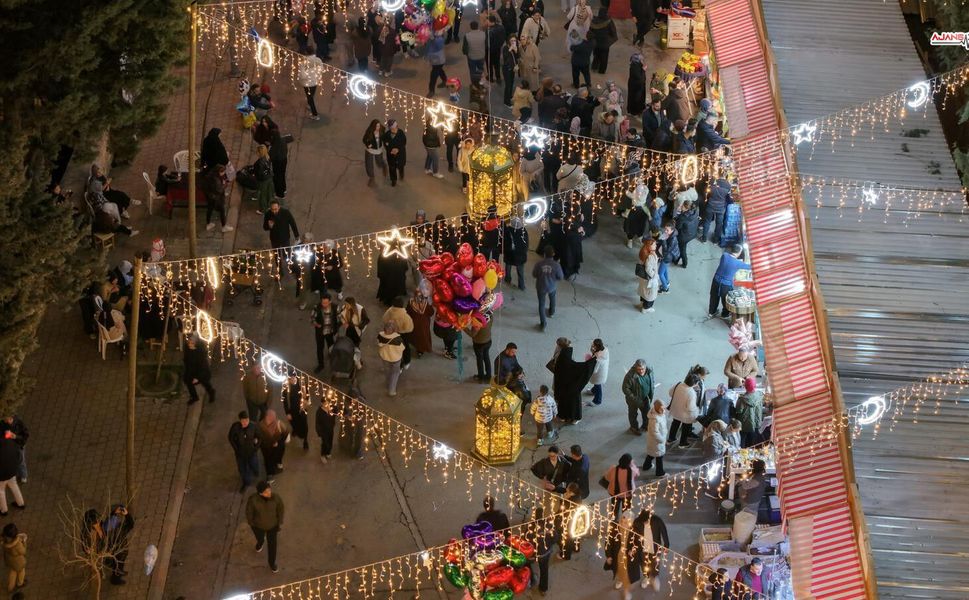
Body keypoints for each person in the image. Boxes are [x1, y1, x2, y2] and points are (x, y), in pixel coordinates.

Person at [552, 339, 596, 424]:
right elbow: (577, 368)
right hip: (572, 387)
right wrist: (591, 362)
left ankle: (563, 416)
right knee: (574, 405)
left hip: (562, 386)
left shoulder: (561, 356)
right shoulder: (566, 357)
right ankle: (574, 418)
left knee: (563, 402)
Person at [245, 481, 284, 573]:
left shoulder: (276, 498)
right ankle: (260, 543)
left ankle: (272, 563)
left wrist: (279, 522)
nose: (269, 493)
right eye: (266, 492)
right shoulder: (253, 500)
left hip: (272, 526)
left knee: (272, 546)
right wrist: (251, 523)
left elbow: (280, 509)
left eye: (269, 490)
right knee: (260, 538)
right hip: (258, 526)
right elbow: (249, 512)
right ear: (260, 493)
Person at [709, 245, 750, 319]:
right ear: (739, 252)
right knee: (726, 300)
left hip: (716, 280)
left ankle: (711, 312)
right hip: (726, 285)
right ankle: (724, 315)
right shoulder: (738, 263)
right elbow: (749, 267)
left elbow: (729, 262)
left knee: (714, 297)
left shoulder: (724, 256)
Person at [532, 246, 564, 331]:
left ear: (544, 254)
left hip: (541, 286)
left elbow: (534, 274)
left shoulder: (539, 264)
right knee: (552, 298)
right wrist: (554, 279)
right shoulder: (556, 265)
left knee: (541, 304)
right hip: (551, 286)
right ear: (553, 254)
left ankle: (543, 324)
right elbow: (561, 277)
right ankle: (551, 312)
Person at [229, 411, 261, 493]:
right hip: (240, 453)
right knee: (242, 469)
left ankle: (256, 471)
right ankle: (246, 482)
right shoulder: (235, 427)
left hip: (251, 452)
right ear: (240, 420)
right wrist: (236, 449)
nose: (245, 422)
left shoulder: (253, 426)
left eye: (247, 420)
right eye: (243, 421)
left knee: (254, 463)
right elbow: (230, 438)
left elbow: (259, 437)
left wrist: (255, 448)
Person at [103, 504, 134, 585]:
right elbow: (131, 524)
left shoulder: (106, 529)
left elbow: (110, 521)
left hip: (113, 551)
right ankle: (115, 580)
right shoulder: (120, 530)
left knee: (117, 564)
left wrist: (114, 513)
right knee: (118, 565)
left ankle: (119, 572)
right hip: (121, 552)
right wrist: (127, 514)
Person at [667, 373, 700, 448]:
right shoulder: (691, 393)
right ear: (694, 383)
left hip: (675, 409)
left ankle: (671, 439)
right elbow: (690, 408)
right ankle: (682, 443)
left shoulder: (678, 384)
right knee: (686, 427)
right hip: (685, 414)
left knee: (675, 423)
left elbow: (670, 393)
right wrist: (697, 409)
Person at [601, 453, 638, 519]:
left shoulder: (613, 469)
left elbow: (607, 477)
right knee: (626, 511)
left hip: (615, 493)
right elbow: (637, 474)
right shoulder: (632, 471)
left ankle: (614, 523)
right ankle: (625, 523)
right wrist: (632, 464)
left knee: (614, 509)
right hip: (627, 494)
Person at [621, 359, 653, 434]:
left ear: (645, 367)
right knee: (633, 414)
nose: (641, 371)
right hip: (633, 400)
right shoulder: (630, 376)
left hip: (645, 398)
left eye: (642, 369)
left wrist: (651, 392)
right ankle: (634, 428)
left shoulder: (649, 372)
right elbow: (625, 389)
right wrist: (635, 399)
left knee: (647, 413)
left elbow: (652, 381)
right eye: (639, 369)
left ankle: (645, 426)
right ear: (635, 368)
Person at [183, 335, 215, 405]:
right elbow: (186, 359)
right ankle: (194, 397)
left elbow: (202, 367)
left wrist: (197, 378)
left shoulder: (200, 354)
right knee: (189, 383)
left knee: (205, 383)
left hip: (201, 373)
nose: (189, 345)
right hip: (191, 370)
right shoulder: (187, 348)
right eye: (189, 343)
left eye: (191, 343)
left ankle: (211, 392)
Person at [282, 370, 309, 451]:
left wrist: (305, 404)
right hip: (292, 410)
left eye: (294, 378)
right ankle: (295, 429)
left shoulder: (302, 385)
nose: (292, 380)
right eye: (290, 378)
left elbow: (307, 396)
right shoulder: (286, 387)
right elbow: (285, 401)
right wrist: (287, 413)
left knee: (304, 425)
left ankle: (305, 441)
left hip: (302, 409)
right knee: (293, 422)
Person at [257, 410, 289, 478]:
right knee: (268, 460)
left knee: (277, 455)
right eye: (270, 417)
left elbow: (286, 432)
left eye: (273, 417)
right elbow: (259, 437)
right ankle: (270, 474)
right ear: (266, 417)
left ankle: (278, 463)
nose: (271, 419)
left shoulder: (279, 424)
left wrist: (280, 442)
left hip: (277, 445)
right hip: (266, 447)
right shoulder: (261, 426)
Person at [312, 293, 339, 372]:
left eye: (326, 303)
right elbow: (312, 318)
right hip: (320, 332)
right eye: (322, 302)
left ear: (330, 301)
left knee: (332, 348)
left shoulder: (335, 307)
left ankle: (334, 363)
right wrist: (316, 324)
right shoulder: (317, 307)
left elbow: (338, 319)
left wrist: (336, 330)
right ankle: (321, 365)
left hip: (330, 332)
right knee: (320, 349)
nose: (324, 304)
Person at [202, 164, 232, 233]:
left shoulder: (210, 176)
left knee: (210, 209)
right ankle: (224, 226)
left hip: (210, 197)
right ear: (219, 172)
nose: (224, 173)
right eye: (223, 172)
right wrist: (225, 184)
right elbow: (220, 190)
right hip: (216, 198)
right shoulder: (216, 180)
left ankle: (208, 223)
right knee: (222, 210)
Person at [377, 321, 405, 396]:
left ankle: (388, 383)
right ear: (394, 329)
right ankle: (391, 390)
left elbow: (378, 343)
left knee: (387, 371)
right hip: (396, 358)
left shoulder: (380, 335)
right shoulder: (398, 339)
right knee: (395, 373)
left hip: (385, 357)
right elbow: (402, 348)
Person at [735, 378, 765, 447]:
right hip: (756, 424)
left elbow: (739, 411)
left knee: (742, 443)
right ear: (755, 386)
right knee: (754, 444)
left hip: (744, 425)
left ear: (745, 386)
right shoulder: (760, 395)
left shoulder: (742, 399)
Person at [642, 399, 668, 475]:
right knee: (659, 456)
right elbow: (655, 432)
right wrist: (662, 440)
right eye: (661, 408)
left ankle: (646, 466)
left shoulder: (659, 413)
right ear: (657, 408)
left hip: (654, 441)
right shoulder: (654, 420)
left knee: (651, 453)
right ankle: (660, 472)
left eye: (664, 408)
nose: (663, 410)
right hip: (657, 441)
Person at [502, 217, 529, 290]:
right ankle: (521, 285)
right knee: (520, 271)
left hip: (510, 254)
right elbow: (526, 243)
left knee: (508, 267)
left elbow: (505, 241)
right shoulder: (523, 231)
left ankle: (507, 279)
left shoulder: (508, 230)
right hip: (520, 255)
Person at [406, 289, 435, 357]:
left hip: (414, 323)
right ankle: (421, 350)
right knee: (424, 337)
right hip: (424, 324)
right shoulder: (426, 304)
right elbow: (431, 312)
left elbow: (408, 313)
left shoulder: (411, 303)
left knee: (415, 336)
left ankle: (416, 347)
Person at [703, 176, 731, 244]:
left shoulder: (712, 187)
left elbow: (707, 194)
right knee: (719, 224)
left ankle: (704, 238)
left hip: (710, 206)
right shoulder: (726, 189)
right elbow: (729, 199)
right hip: (720, 208)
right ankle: (715, 240)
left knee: (707, 221)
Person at [589, 8, 618, 74]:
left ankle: (594, 67)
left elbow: (590, 32)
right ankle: (601, 71)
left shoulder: (594, 21)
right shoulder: (608, 21)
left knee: (596, 55)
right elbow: (613, 33)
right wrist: (609, 42)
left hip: (596, 43)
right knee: (604, 58)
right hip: (605, 43)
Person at [0, 437, 24, 516]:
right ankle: (20, 503)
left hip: (2, 475)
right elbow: (19, 456)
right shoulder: (10, 442)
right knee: (14, 485)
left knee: (1, 491)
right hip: (12, 471)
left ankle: (4, 510)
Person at [298, 46, 323, 120]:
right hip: (315, 81)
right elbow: (321, 69)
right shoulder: (318, 60)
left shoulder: (303, 62)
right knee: (312, 94)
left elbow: (302, 75)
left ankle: (315, 114)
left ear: (306, 52)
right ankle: (309, 104)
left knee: (310, 98)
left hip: (307, 83)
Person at [0, 417, 27, 485]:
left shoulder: (18, 423)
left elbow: (25, 437)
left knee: (21, 462)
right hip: (9, 448)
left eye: (9, 419)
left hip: (18, 446)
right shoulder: (3, 424)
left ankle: (23, 475)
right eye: (5, 419)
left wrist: (15, 436)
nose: (7, 421)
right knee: (12, 460)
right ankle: (14, 472)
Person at [673, 199, 699, 268]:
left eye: (682, 205)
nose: (681, 206)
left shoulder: (683, 217)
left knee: (682, 249)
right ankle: (678, 259)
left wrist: (677, 215)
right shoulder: (695, 211)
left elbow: (678, 227)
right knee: (682, 247)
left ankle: (684, 263)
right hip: (692, 233)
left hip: (684, 236)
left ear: (685, 207)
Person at [636, 238, 660, 312]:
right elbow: (648, 269)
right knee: (650, 294)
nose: (656, 245)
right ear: (649, 246)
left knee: (644, 291)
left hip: (643, 277)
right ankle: (646, 308)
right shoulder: (650, 256)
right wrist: (654, 276)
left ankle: (642, 303)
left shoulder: (643, 252)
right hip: (649, 278)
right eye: (654, 244)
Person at [2, 523, 26, 593]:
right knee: (21, 572)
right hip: (18, 562)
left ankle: (10, 587)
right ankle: (20, 583)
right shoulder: (17, 545)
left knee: (12, 572)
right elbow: (23, 552)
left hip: (9, 560)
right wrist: (24, 542)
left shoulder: (4, 541)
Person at [363, 119, 388, 187]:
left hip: (378, 150)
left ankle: (384, 166)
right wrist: (368, 144)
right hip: (370, 150)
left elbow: (385, 139)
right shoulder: (369, 131)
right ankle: (371, 178)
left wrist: (387, 145)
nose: (378, 128)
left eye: (379, 126)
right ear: (373, 126)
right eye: (377, 126)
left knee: (379, 162)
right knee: (369, 165)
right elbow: (364, 139)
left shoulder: (382, 131)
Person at [382, 119, 407, 186]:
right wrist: (391, 150)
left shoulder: (401, 133)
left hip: (400, 155)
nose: (395, 129)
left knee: (401, 166)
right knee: (392, 168)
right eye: (394, 128)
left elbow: (403, 142)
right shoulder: (387, 135)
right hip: (391, 156)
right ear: (390, 128)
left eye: (396, 127)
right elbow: (385, 144)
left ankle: (401, 174)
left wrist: (398, 149)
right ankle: (393, 180)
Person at [268, 129, 290, 199]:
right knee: (282, 175)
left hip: (277, 163)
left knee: (277, 178)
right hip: (284, 160)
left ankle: (280, 194)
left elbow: (271, 156)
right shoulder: (283, 140)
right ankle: (284, 189)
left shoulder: (274, 146)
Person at [587, 338, 609, 406]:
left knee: (598, 385)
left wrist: (588, 365)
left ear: (597, 346)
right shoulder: (605, 349)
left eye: (593, 345)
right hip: (602, 373)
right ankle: (593, 391)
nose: (592, 346)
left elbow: (594, 370)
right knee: (597, 384)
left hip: (598, 375)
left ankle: (597, 401)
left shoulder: (598, 359)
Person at [425, 32, 448, 97]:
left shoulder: (440, 39)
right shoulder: (432, 36)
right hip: (434, 59)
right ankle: (445, 81)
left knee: (433, 76)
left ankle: (431, 91)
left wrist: (433, 39)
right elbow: (428, 47)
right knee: (440, 71)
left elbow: (439, 46)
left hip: (439, 60)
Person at [471, 318, 493, 382]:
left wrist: (463, 328)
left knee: (479, 359)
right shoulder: (490, 316)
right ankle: (488, 377)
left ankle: (481, 377)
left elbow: (472, 334)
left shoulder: (477, 321)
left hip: (479, 343)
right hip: (488, 341)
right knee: (486, 357)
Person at [315, 398, 337, 463]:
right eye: (325, 403)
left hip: (330, 429)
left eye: (328, 403)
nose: (327, 405)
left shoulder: (331, 409)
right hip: (323, 431)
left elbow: (337, 411)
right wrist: (319, 432)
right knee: (325, 443)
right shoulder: (319, 412)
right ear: (322, 403)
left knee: (330, 441)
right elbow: (317, 423)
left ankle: (328, 453)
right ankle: (323, 455)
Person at [500, 34, 520, 107]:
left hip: (513, 68)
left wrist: (516, 50)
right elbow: (505, 58)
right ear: (509, 41)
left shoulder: (516, 47)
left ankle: (510, 96)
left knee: (511, 83)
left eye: (514, 40)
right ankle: (506, 102)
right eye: (511, 40)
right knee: (508, 85)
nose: (513, 42)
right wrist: (510, 49)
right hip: (507, 69)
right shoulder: (506, 47)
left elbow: (518, 57)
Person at [485, 15, 506, 83]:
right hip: (497, 49)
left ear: (491, 21)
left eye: (487, 21)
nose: (486, 22)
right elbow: (503, 38)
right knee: (497, 64)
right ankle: (498, 77)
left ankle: (490, 77)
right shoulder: (501, 27)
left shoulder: (489, 31)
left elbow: (487, 42)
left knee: (489, 64)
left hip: (489, 51)